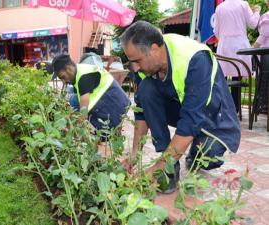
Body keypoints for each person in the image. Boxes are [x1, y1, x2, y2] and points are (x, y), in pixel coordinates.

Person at [120, 21, 241, 193]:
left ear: (154, 49)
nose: (135, 67)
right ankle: (171, 165)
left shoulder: (195, 59)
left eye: (137, 61)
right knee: (146, 89)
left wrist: (158, 167)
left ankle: (189, 153)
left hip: (212, 118)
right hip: (183, 109)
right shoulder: (144, 64)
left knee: (208, 156)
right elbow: (141, 111)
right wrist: (134, 155)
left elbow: (191, 120)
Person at [52, 54, 130, 134]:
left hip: (114, 105)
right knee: (73, 99)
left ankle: (111, 132)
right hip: (115, 101)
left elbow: (83, 113)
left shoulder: (84, 77)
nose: (64, 82)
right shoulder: (80, 71)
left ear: (68, 68)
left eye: (62, 77)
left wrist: (73, 130)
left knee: (105, 139)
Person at [213, 0, 261, 112]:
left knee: (223, 78)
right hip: (240, 46)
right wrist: (257, 11)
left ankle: (223, 107)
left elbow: (216, 32)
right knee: (237, 75)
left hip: (224, 47)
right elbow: (253, 24)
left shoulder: (220, 8)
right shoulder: (243, 4)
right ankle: (235, 107)